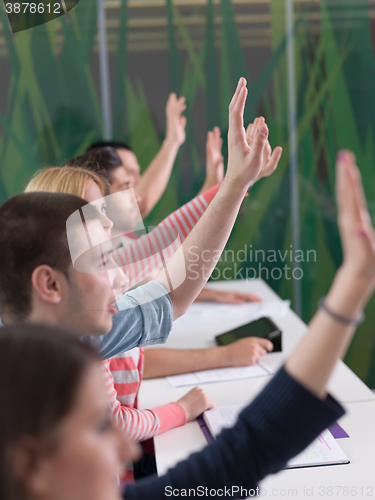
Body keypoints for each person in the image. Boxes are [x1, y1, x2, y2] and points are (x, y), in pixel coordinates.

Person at [3, 147, 375, 499]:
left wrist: (352, 288)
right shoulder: (71, 346)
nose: (121, 277)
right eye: (99, 426)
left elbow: (242, 457)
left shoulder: (69, 340)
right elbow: (243, 456)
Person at [24, 162, 274, 478]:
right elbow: (171, 287)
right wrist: (180, 409)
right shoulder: (75, 322)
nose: (108, 218)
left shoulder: (82, 290)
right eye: (93, 211)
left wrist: (232, 185)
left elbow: (165, 241)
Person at [90, 92, 187, 218]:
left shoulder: (129, 233)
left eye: (137, 173)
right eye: (127, 177)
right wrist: (171, 144)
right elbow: (143, 204)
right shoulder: (102, 230)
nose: (137, 181)